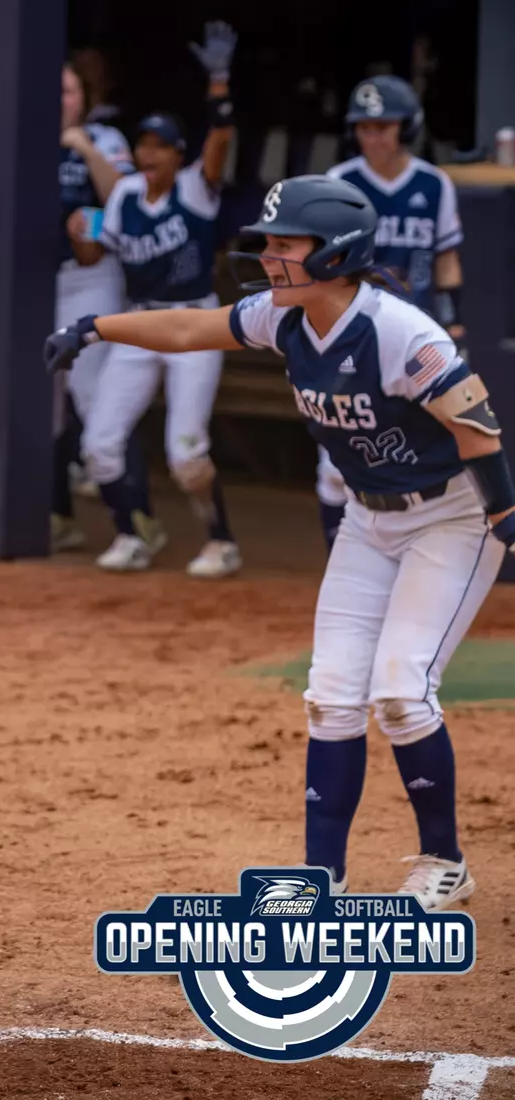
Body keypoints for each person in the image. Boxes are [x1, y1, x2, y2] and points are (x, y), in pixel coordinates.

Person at [45, 174, 514, 909]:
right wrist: (97, 327)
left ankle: (445, 863)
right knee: (330, 696)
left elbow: (475, 426)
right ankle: (321, 878)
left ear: (334, 254)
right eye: (268, 242)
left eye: (285, 244)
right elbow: (187, 329)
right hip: (368, 517)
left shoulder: (397, 329)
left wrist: (504, 517)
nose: (268, 256)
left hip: (449, 518)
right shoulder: (283, 317)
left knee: (400, 687)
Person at [66, 22, 240, 577]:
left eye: (160, 146)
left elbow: (221, 139)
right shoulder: (123, 197)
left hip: (195, 324)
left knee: (187, 454)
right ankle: (132, 533)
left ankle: (221, 539)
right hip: (141, 326)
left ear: (178, 154)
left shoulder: (195, 186)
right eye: (144, 144)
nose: (148, 154)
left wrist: (218, 81)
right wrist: (78, 234)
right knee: (100, 446)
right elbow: (96, 258)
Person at [0, 58, 133, 552]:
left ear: (84, 98)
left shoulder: (105, 138)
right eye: (51, 92)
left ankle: (133, 524)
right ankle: (56, 515)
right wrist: (3, 108)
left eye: (68, 92)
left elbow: (124, 200)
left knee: (97, 400)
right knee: (39, 406)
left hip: (89, 277)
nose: (60, 101)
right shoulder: (16, 136)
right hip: (27, 284)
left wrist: (85, 148)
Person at [314, 75, 465, 547]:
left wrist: (456, 322)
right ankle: (339, 561)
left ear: (408, 127)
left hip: (416, 337)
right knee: (335, 467)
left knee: (428, 448)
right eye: (364, 127)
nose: (373, 135)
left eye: (384, 125)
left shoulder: (433, 184)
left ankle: (414, 553)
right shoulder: (340, 183)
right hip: (352, 336)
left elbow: (446, 259)